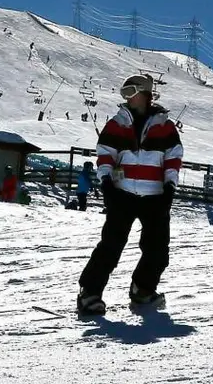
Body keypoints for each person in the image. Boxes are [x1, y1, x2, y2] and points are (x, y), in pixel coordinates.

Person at [77, 74, 183, 315]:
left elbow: (173, 157)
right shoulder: (117, 123)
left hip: (155, 195)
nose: (126, 97)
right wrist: (106, 183)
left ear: (146, 93)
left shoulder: (165, 126)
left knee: (157, 248)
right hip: (122, 193)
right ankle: (90, 293)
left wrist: (169, 187)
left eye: (131, 91)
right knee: (111, 245)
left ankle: (143, 290)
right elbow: (105, 154)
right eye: (124, 92)